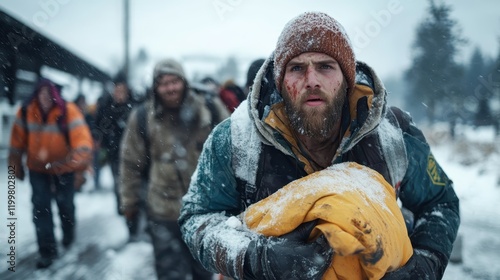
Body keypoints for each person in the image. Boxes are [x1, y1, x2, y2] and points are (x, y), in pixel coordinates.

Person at [179, 12, 460, 280]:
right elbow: (198, 217)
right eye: (297, 68)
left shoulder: (392, 134)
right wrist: (256, 257)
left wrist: (428, 260)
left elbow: (440, 203)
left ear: (346, 78)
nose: (311, 80)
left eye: (325, 66)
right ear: (280, 80)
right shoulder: (236, 138)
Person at [119, 59, 228, 280]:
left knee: (203, 271)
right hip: (162, 210)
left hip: (203, 210)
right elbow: (131, 163)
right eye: (163, 83)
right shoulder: (142, 117)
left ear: (184, 82)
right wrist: (129, 202)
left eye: (174, 81)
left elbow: (231, 151)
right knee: (169, 272)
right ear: (155, 88)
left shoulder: (208, 110)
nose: (170, 88)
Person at [8, 78, 93, 268]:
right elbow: (16, 144)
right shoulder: (26, 111)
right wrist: (15, 167)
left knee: (66, 205)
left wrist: (77, 164)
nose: (45, 98)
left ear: (55, 95)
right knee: (41, 208)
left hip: (64, 168)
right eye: (41, 94)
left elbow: (82, 141)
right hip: (38, 169)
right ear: (36, 95)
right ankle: (47, 250)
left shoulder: (68, 111)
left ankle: (68, 234)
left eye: (49, 94)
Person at [94, 75, 135, 212]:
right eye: (117, 90)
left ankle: (130, 207)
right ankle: (122, 206)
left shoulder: (133, 108)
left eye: (122, 90)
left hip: (133, 154)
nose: (119, 94)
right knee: (118, 181)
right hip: (114, 152)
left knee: (131, 182)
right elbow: (98, 127)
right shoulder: (106, 107)